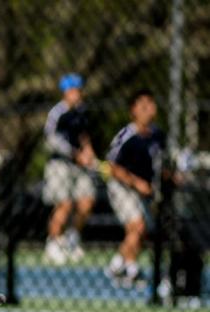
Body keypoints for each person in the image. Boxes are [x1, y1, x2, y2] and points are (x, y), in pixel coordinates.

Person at [103, 89, 166, 289]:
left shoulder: (157, 135)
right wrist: (136, 182)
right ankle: (131, 269)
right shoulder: (126, 135)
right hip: (122, 186)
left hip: (144, 190)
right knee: (137, 225)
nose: (148, 109)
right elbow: (112, 167)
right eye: (143, 105)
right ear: (133, 110)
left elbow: (160, 165)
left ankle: (116, 265)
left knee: (140, 230)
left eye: (151, 104)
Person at [42, 73, 97, 265]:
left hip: (80, 165)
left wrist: (89, 153)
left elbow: (84, 135)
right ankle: (54, 243)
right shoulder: (57, 113)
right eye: (73, 90)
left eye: (79, 90)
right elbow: (51, 140)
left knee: (86, 202)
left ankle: (72, 239)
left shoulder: (82, 111)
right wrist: (75, 154)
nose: (77, 94)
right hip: (60, 164)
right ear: (65, 92)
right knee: (63, 204)